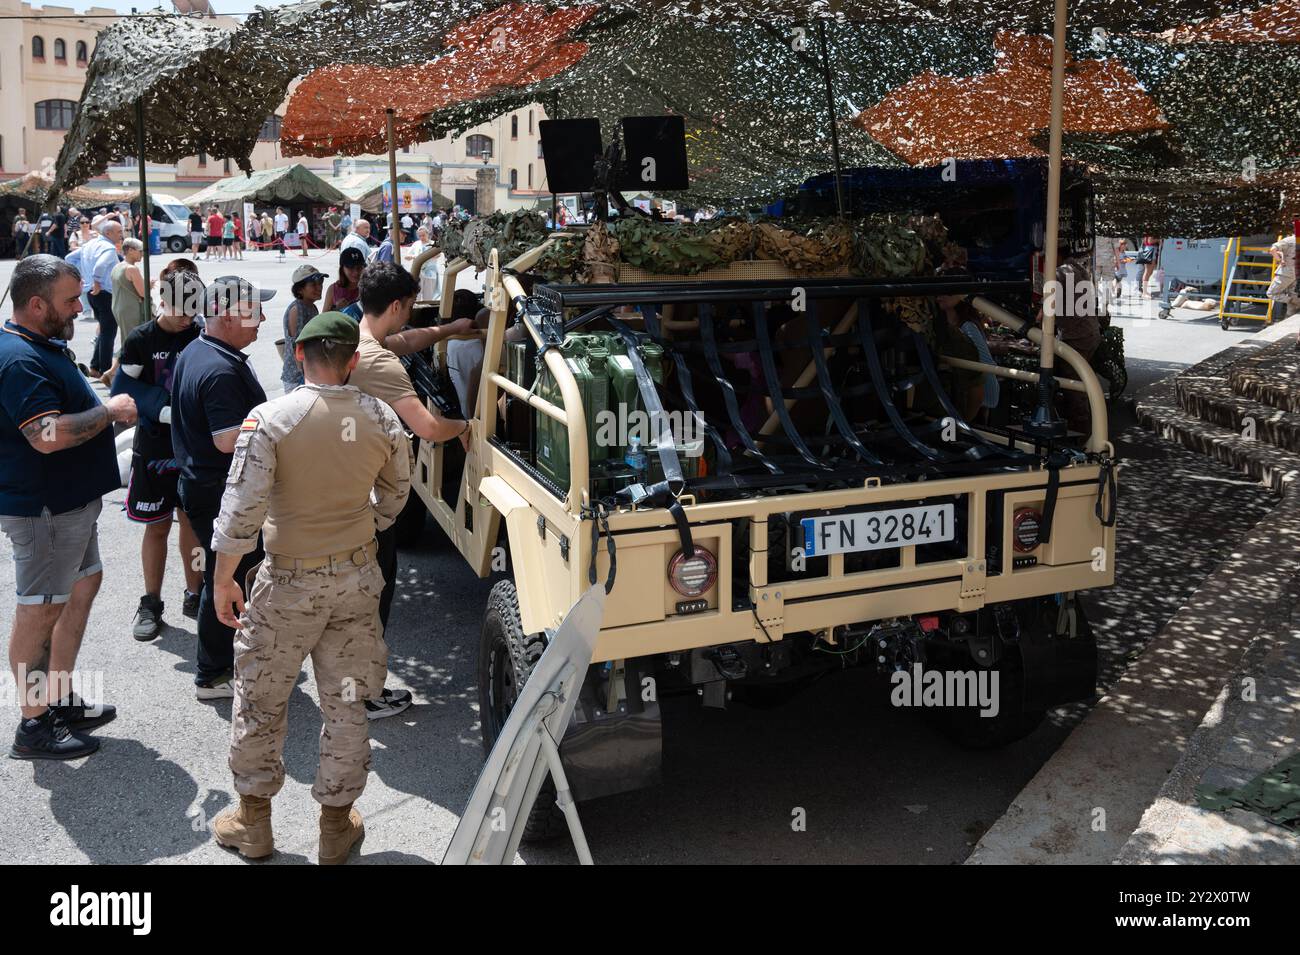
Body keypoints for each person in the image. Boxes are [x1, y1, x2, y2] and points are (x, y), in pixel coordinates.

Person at [208, 311, 409, 864]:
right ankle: (335, 828)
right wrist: (363, 527)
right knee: (346, 703)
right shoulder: (382, 416)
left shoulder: (270, 418)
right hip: (356, 579)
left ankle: (253, 824)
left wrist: (223, 578)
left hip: (287, 586)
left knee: (261, 700)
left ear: (299, 355)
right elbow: (397, 495)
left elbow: (241, 509)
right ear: (352, 361)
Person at [1, 255, 137, 760]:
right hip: (45, 512)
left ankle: (56, 697)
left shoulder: (39, 344)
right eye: (70, 300)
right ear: (35, 304)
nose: (81, 308)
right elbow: (46, 435)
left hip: (70, 507)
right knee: (40, 612)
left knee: (80, 588)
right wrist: (110, 412)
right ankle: (33, 724)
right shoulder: (18, 359)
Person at [349, 263, 473, 718]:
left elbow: (405, 340)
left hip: (345, 493)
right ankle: (367, 695)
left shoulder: (355, 337)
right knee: (373, 596)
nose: (407, 319)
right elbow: (427, 426)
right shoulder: (379, 364)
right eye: (408, 308)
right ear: (398, 305)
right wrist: (466, 427)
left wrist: (449, 329)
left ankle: (354, 690)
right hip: (368, 503)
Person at [171, 276, 275, 699]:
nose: (263, 318)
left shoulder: (202, 349)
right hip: (218, 489)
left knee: (227, 572)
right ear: (229, 315)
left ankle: (222, 663)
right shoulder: (218, 368)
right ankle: (214, 673)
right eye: (255, 309)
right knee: (228, 574)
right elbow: (228, 439)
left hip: (205, 485)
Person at [112, 265, 206, 639]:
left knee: (193, 524)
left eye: (193, 309)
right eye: (180, 309)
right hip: (154, 446)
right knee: (156, 526)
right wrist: (159, 407)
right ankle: (150, 601)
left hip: (194, 447)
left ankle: (195, 593)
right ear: (161, 302)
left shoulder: (201, 334)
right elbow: (121, 386)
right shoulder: (141, 339)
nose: (186, 317)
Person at [85, 219, 123, 376]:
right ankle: (105, 371)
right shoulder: (108, 248)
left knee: (104, 330)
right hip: (104, 292)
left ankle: (95, 367)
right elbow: (99, 267)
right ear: (108, 233)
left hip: (92, 292)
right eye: (119, 232)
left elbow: (69, 259)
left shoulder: (89, 244)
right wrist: (97, 281)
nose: (122, 235)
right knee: (109, 332)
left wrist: (84, 278)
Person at [107, 238, 149, 383]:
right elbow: (143, 293)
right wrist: (149, 285)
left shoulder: (117, 266)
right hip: (131, 308)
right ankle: (115, 373)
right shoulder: (132, 268)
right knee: (131, 340)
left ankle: (113, 371)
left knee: (127, 338)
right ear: (130, 250)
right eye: (140, 251)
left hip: (119, 306)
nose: (142, 254)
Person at [281, 264, 326, 392]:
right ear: (300, 290)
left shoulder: (312, 307)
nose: (319, 288)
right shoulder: (297, 309)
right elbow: (298, 345)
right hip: (297, 376)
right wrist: (305, 376)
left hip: (309, 372)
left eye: (320, 283)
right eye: (313, 285)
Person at [323, 247, 364, 312]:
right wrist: (337, 309)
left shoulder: (368, 287)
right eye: (351, 268)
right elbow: (323, 318)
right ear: (342, 268)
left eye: (359, 267)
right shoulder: (333, 289)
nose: (356, 272)